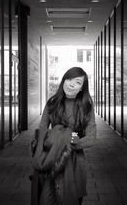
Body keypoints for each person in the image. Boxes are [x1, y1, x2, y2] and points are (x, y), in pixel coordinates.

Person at [31, 67, 96, 205]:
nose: (71, 84)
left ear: (81, 88)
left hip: (75, 162)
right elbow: (42, 130)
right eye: (69, 79)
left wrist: (68, 144)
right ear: (64, 81)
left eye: (78, 82)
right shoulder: (52, 102)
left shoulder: (86, 106)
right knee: (48, 197)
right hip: (51, 158)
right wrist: (49, 143)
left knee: (73, 199)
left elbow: (91, 138)